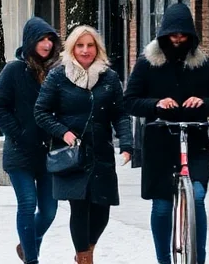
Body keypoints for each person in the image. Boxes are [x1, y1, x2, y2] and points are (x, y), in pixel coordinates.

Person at [123, 3, 209, 264]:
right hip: (159, 143)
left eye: (183, 36)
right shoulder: (147, 64)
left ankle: (198, 258)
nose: (178, 41)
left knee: (198, 197)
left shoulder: (204, 64)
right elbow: (129, 101)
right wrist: (156, 104)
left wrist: (204, 103)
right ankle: (164, 260)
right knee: (161, 207)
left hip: (195, 141)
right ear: (163, 36)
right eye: (173, 36)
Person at [34, 25, 133, 264]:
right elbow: (41, 111)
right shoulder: (59, 75)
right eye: (80, 45)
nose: (85, 50)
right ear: (72, 48)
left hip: (101, 153)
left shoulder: (109, 77)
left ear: (97, 48)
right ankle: (85, 258)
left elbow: (120, 114)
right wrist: (63, 132)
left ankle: (85, 251)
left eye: (90, 45)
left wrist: (127, 143)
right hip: (72, 155)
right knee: (79, 208)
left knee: (102, 210)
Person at [0, 17, 61, 264]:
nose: (46, 45)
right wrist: (18, 133)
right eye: (42, 39)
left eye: (50, 40)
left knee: (50, 211)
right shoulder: (14, 70)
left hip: (49, 152)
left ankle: (27, 244)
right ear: (30, 42)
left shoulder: (59, 71)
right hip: (20, 152)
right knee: (27, 204)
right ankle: (32, 259)